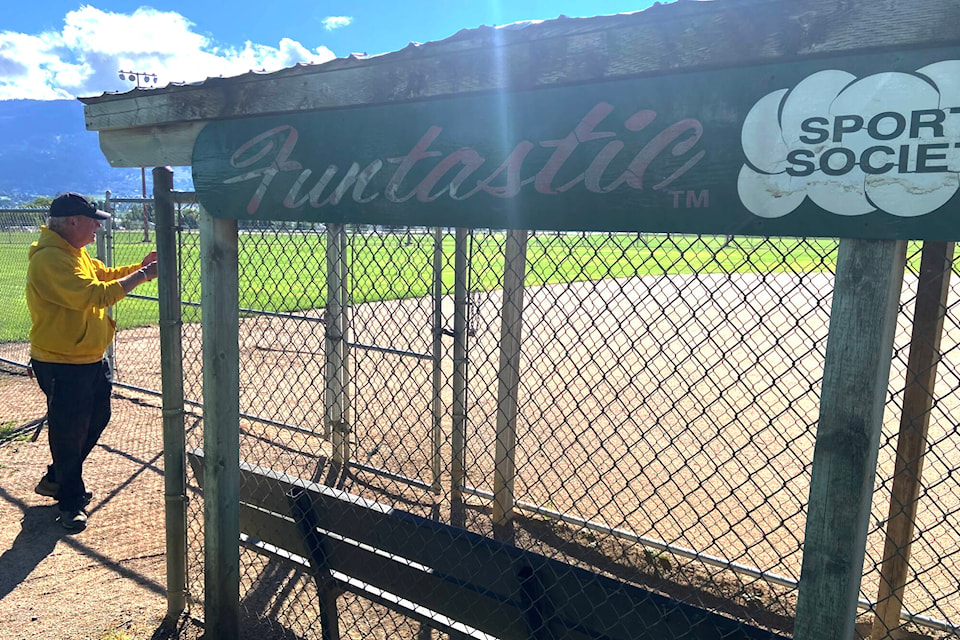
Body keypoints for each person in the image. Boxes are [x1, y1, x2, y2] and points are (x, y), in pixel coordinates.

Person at [25, 192, 158, 532]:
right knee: (69, 431)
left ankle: (58, 477)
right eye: (93, 221)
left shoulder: (75, 253)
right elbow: (93, 295)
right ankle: (70, 500)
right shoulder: (50, 260)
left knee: (98, 416)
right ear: (72, 222)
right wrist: (141, 276)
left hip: (88, 356)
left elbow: (105, 276)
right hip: (62, 361)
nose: (98, 226)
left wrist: (140, 267)